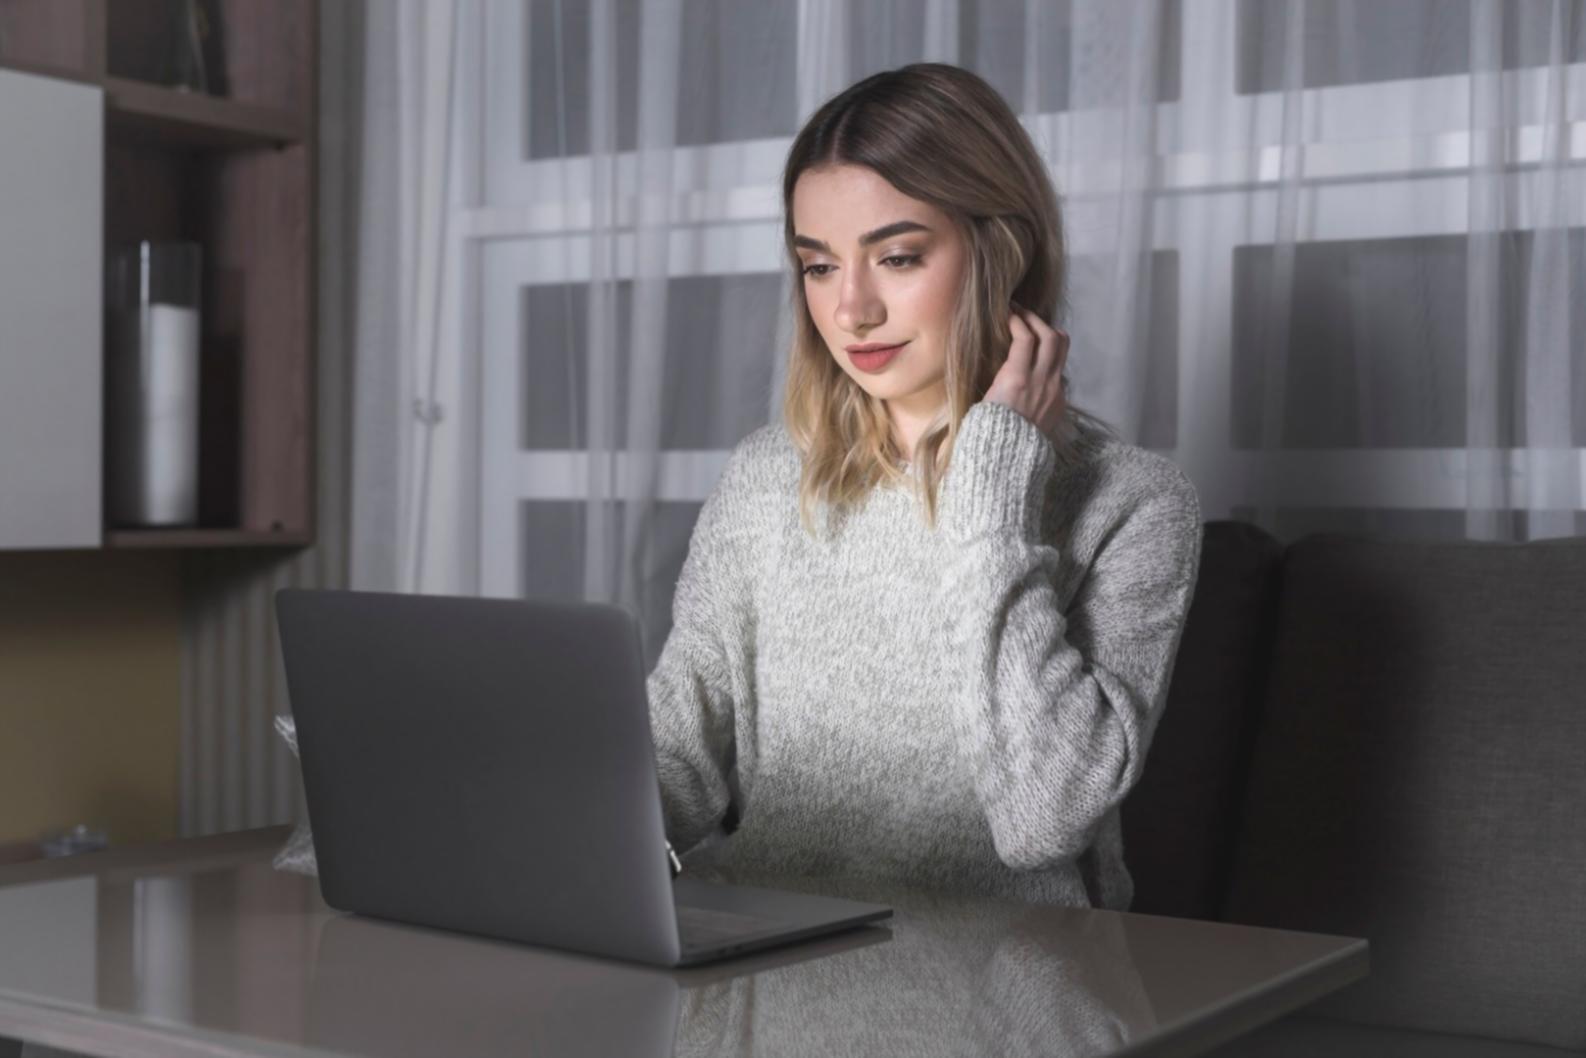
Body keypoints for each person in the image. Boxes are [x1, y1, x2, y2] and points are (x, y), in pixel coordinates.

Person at [647, 63, 1202, 910]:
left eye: (898, 256)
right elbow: (678, 768)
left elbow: (1044, 819)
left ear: (1000, 250)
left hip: (1011, 984)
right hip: (767, 970)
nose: (852, 310)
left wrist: (993, 488)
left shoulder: (1136, 503)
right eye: (820, 267)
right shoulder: (765, 477)